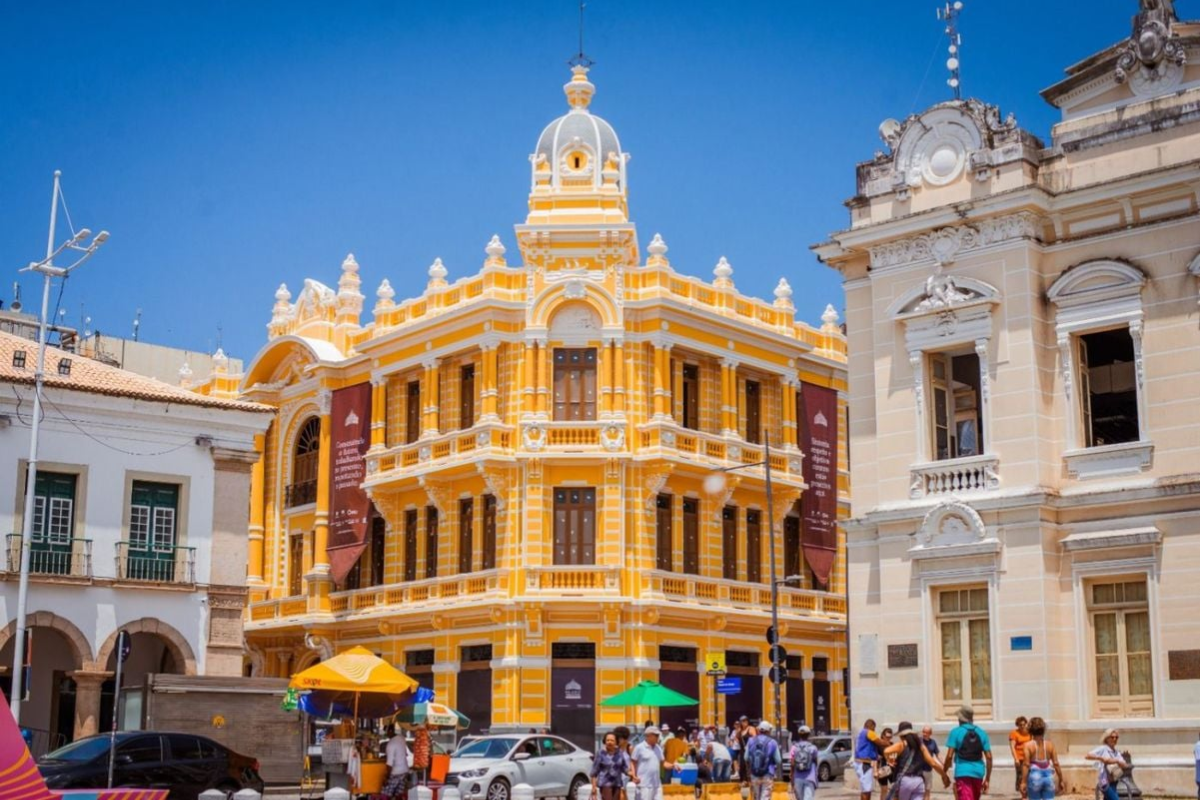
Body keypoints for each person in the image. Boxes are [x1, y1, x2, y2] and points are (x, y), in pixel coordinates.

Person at [882, 722, 950, 800]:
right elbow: (933, 763)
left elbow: (886, 751)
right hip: (918, 781)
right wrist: (944, 776)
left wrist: (889, 759)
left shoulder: (902, 744)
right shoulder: (921, 746)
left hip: (905, 780)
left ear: (901, 735)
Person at [943, 706, 992, 800]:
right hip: (979, 772)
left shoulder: (955, 732)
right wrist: (987, 779)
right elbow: (989, 757)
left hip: (963, 772)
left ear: (960, 719)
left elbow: (949, 756)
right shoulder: (982, 732)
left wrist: (944, 773)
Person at [1019, 717, 1063, 800]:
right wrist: (1061, 779)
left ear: (1030, 730)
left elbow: (1026, 764)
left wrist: (1023, 782)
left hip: (1035, 776)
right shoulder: (1050, 745)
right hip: (1048, 776)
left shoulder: (1028, 745)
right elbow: (1056, 763)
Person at [631, 726, 676, 800]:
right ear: (649, 736)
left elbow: (663, 763)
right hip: (643, 785)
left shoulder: (658, 748)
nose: (658, 737)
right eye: (656, 735)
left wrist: (673, 765)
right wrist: (634, 775)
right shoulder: (639, 748)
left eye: (658, 735)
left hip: (657, 785)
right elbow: (633, 762)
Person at [1086, 729, 1129, 800]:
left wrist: (1116, 761)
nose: (1114, 739)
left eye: (1116, 737)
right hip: (1104, 782)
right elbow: (1088, 755)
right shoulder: (1103, 749)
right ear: (1107, 738)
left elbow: (1125, 765)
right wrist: (1101, 758)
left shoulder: (1117, 753)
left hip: (1114, 782)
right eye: (1112, 737)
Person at [592, 732, 633, 800]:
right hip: (605, 783)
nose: (609, 742)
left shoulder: (619, 753)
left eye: (612, 740)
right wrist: (593, 787)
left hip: (617, 783)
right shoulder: (601, 753)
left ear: (616, 742)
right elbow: (594, 772)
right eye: (607, 740)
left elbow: (624, 767)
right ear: (604, 741)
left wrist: (631, 774)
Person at [745, 721, 780, 800]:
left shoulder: (751, 740)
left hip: (754, 773)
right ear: (768, 731)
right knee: (765, 797)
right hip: (768, 774)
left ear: (759, 730)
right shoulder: (773, 742)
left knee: (756, 797)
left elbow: (746, 757)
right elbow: (778, 760)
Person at [791, 725, 822, 800]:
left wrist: (792, 778)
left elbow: (792, 764)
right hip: (810, 778)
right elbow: (816, 761)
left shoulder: (794, 748)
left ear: (799, 735)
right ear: (808, 735)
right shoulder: (813, 748)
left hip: (797, 778)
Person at [855, 719, 882, 800]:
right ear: (872, 726)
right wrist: (888, 743)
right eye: (874, 728)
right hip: (865, 764)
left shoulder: (860, 733)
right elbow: (879, 742)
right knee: (867, 790)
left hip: (860, 763)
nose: (874, 730)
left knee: (864, 790)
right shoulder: (868, 732)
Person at [383, 725, 409, 800]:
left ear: (390, 731)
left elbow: (389, 764)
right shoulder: (401, 738)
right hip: (404, 770)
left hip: (395, 772)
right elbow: (400, 752)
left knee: (386, 794)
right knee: (399, 795)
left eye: (386, 732)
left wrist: (386, 778)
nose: (386, 734)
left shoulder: (390, 744)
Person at [1010, 717, 1032, 795]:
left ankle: (1029, 794)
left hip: (1029, 758)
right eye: (1020, 725)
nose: (1022, 726)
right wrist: (1016, 759)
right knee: (1021, 777)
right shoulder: (1014, 733)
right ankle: (1023, 795)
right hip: (1020, 758)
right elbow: (1012, 747)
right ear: (1018, 725)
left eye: (1024, 724)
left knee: (1030, 776)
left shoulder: (1030, 733)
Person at [876, 728, 896, 800]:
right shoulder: (879, 745)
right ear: (883, 736)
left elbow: (894, 756)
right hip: (882, 769)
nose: (889, 739)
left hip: (892, 769)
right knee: (884, 789)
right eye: (887, 737)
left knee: (895, 789)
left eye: (890, 737)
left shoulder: (892, 744)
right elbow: (876, 758)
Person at [920, 727, 940, 796]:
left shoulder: (933, 742)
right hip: (919, 769)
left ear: (930, 733)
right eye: (923, 732)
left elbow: (937, 754)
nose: (924, 734)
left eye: (926, 732)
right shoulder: (919, 741)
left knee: (927, 789)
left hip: (928, 769)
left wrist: (943, 763)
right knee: (920, 790)